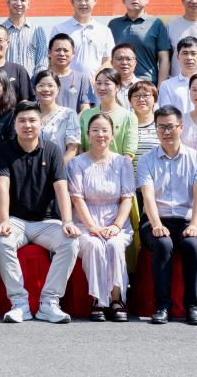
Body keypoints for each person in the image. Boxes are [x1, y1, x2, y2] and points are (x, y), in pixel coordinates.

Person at [0, 104, 80, 323]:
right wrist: (3, 220)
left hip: (46, 221)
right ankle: (19, 303)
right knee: (1, 241)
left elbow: (61, 188)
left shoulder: (52, 150)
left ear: (41, 124)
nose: (27, 125)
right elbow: (2, 187)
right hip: (15, 220)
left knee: (70, 242)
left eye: (32, 120)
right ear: (14, 125)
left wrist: (67, 221)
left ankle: (49, 303)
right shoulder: (2, 150)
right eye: (22, 120)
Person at [137, 106, 197, 325]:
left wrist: (195, 224)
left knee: (192, 245)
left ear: (181, 127)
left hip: (187, 219)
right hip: (155, 219)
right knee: (163, 243)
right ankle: (162, 306)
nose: (166, 132)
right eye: (161, 127)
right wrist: (156, 224)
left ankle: (194, 306)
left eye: (170, 127)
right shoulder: (146, 160)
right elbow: (148, 197)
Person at [68, 113, 135, 321]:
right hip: (85, 221)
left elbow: (127, 198)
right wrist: (92, 226)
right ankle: (98, 300)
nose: (100, 135)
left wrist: (116, 225)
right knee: (95, 245)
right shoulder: (77, 163)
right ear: (88, 134)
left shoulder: (122, 163)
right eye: (95, 130)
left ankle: (116, 299)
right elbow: (77, 198)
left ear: (112, 134)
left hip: (116, 220)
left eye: (105, 130)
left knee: (114, 244)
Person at [108, 0, 172, 83]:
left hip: (147, 84)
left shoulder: (156, 23)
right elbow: (108, 57)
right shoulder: (113, 25)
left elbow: (164, 59)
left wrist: (161, 87)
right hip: (119, 83)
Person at [52, 0, 114, 84]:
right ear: (71, 1)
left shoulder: (105, 31)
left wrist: (95, 80)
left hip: (96, 87)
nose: (83, 3)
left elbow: (108, 61)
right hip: (66, 85)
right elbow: (52, 60)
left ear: (95, 0)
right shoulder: (59, 29)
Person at [78, 68, 138, 159]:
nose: (102, 88)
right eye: (98, 83)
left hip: (118, 166)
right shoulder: (86, 115)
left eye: (107, 84)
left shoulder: (128, 117)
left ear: (118, 87)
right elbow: (81, 147)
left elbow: (129, 152)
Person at [34, 70, 79, 163]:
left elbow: (72, 149)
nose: (46, 89)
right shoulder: (28, 113)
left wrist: (58, 169)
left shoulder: (69, 114)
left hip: (58, 169)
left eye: (50, 85)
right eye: (41, 85)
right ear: (35, 89)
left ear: (58, 89)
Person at [1, 0, 47, 75]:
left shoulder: (37, 30)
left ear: (28, 4)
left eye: (23, 0)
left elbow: (42, 63)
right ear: (8, 2)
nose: (19, 3)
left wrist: (36, 81)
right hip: (5, 82)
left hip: (31, 82)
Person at [43, 34, 93, 112]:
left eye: (66, 50)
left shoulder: (82, 79)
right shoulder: (39, 78)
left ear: (73, 54)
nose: (62, 54)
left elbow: (85, 107)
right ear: (49, 52)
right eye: (57, 50)